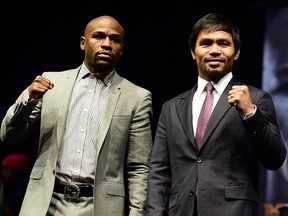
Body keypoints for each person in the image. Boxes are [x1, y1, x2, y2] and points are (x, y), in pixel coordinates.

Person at [0, 15, 153, 216]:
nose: (107, 44)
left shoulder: (137, 97)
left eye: (114, 39)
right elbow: (9, 136)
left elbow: (139, 168)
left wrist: (137, 213)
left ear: (122, 49)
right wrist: (28, 99)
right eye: (99, 36)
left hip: (98, 207)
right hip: (45, 202)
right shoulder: (51, 82)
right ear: (83, 43)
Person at [146, 12, 287, 216]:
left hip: (233, 210)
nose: (214, 50)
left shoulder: (256, 98)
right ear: (193, 52)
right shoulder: (172, 107)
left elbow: (275, 159)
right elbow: (159, 171)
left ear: (236, 52)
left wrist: (250, 113)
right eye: (206, 43)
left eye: (223, 43)